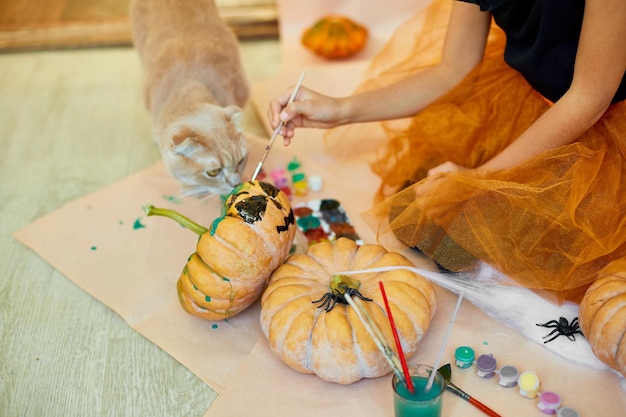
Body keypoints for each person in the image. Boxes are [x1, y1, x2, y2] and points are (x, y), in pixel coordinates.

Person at [268, 0, 626, 303]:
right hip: (523, 99)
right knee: (423, 224)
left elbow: (588, 99)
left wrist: (479, 179)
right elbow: (451, 70)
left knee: (535, 261)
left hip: (594, 122)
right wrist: (341, 110)